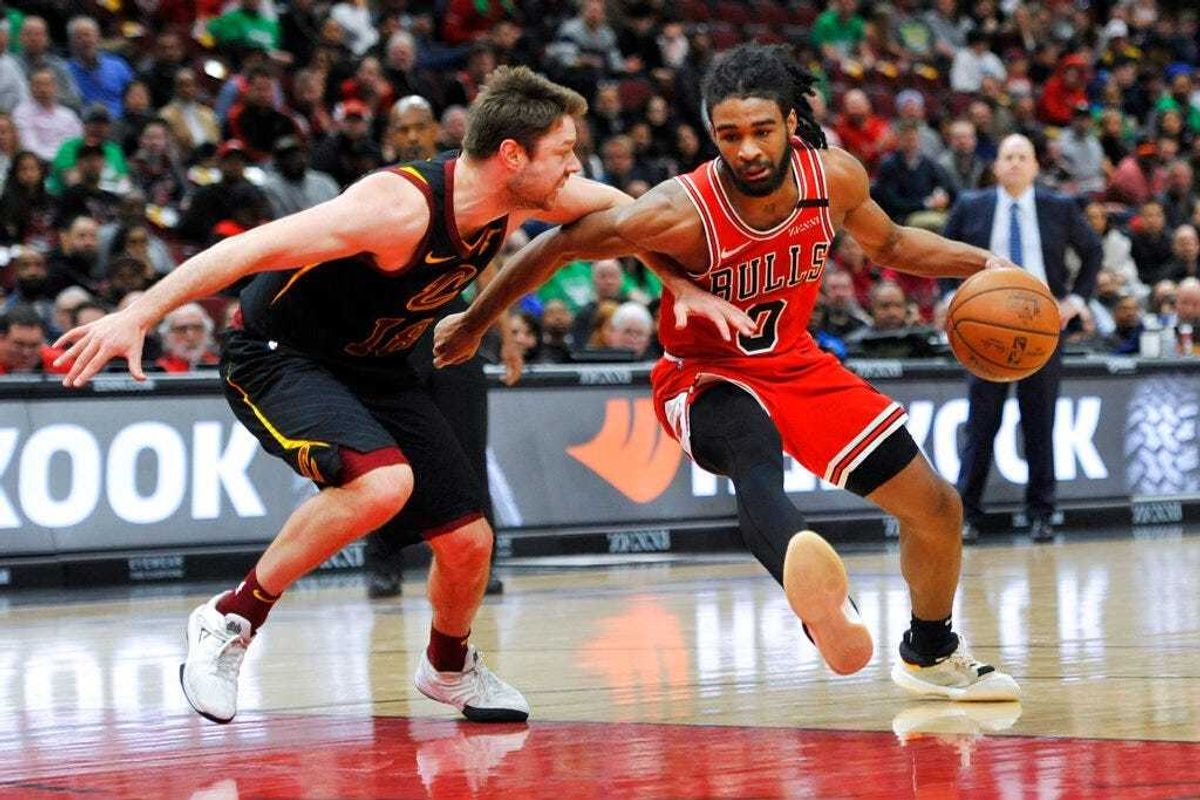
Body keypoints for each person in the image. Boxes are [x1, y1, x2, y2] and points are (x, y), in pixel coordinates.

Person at [52, 65, 747, 725]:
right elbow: (250, 250)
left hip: (377, 365)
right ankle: (232, 617)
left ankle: (448, 668)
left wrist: (677, 283)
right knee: (382, 484)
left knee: (471, 542)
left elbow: (633, 214)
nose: (575, 167)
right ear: (512, 154)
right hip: (280, 355)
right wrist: (138, 311)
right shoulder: (393, 207)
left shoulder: (528, 197)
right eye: (564, 151)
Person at [434, 43, 1022, 702]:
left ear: (791, 125)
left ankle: (930, 650)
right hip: (703, 374)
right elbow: (556, 244)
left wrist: (985, 264)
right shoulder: (680, 209)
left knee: (936, 509)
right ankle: (821, 600)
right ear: (713, 134)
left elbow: (891, 244)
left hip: (797, 363)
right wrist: (474, 321)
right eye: (729, 135)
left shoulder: (834, 178)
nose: (746, 148)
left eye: (761, 131)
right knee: (753, 448)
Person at [363, 93, 504, 600]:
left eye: (423, 126)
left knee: (468, 448)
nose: (415, 136)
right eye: (405, 129)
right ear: (390, 139)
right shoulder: (373, 192)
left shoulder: (461, 191)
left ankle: (482, 556)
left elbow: (489, 266)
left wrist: (505, 336)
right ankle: (384, 561)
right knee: (389, 456)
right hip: (386, 335)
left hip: (452, 330)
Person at [943, 134, 1102, 544]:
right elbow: (942, 251)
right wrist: (949, 297)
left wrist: (1076, 300)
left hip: (1041, 331)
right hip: (988, 332)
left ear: (1034, 166)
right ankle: (968, 514)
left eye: (1022, 157)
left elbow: (1093, 250)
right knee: (981, 426)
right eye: (1007, 156)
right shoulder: (971, 205)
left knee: (1039, 424)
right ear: (996, 166)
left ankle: (1042, 514)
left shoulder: (1060, 207)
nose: (1014, 163)